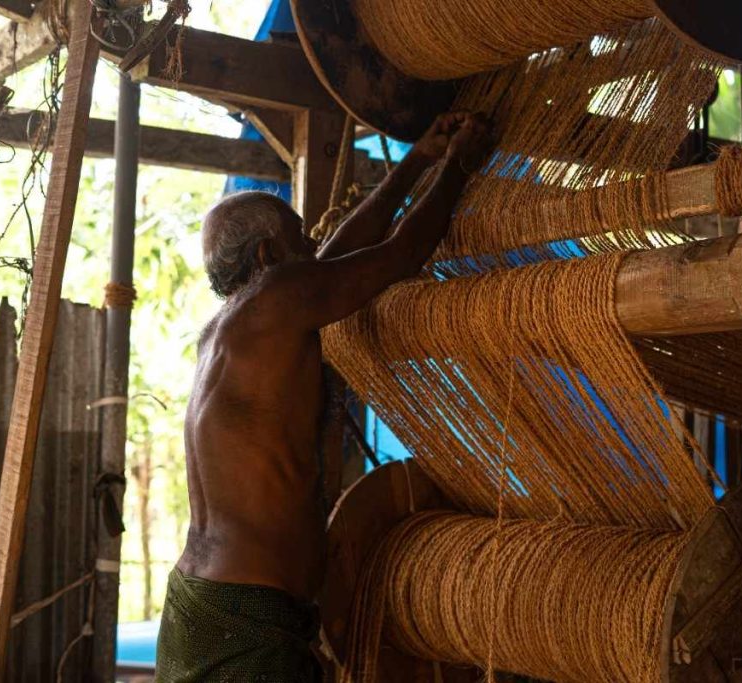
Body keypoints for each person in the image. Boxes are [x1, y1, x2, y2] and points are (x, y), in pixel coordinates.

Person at [156, 112, 492, 682]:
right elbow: (398, 255)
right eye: (299, 238)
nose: (313, 245)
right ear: (266, 256)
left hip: (204, 604)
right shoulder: (276, 298)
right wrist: (460, 164)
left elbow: (333, 258)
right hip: (248, 614)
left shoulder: (229, 331)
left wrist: (415, 161)